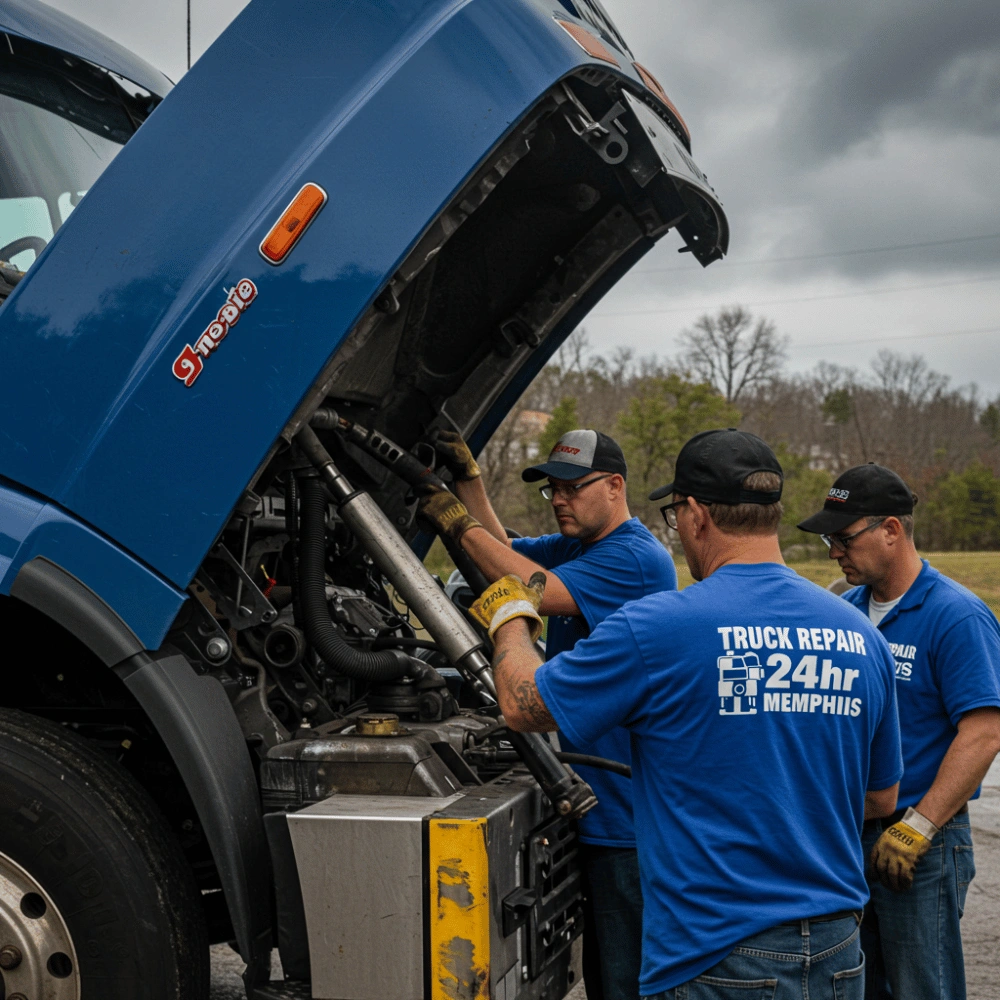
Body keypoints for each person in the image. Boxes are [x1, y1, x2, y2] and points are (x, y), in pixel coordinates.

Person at [468, 428, 903, 1000]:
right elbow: (881, 798)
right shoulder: (859, 635)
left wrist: (511, 617)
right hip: (839, 950)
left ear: (695, 514)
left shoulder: (658, 627)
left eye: (674, 515)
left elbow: (524, 704)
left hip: (717, 955)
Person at [419, 427, 676, 1000]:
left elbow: (521, 585)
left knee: (625, 978)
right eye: (551, 490)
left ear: (614, 486)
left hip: (626, 821)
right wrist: (469, 482)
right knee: (599, 966)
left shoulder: (635, 559)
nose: (559, 500)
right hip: (591, 800)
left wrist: (455, 519)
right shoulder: (582, 546)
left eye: (572, 488)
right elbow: (505, 551)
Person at [798, 463, 1000, 1000]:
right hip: (849, 835)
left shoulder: (956, 616)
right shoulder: (846, 611)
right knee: (860, 986)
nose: (834, 552)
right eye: (828, 539)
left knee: (921, 987)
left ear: (891, 529)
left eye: (843, 538)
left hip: (921, 841)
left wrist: (920, 827)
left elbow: (983, 733)